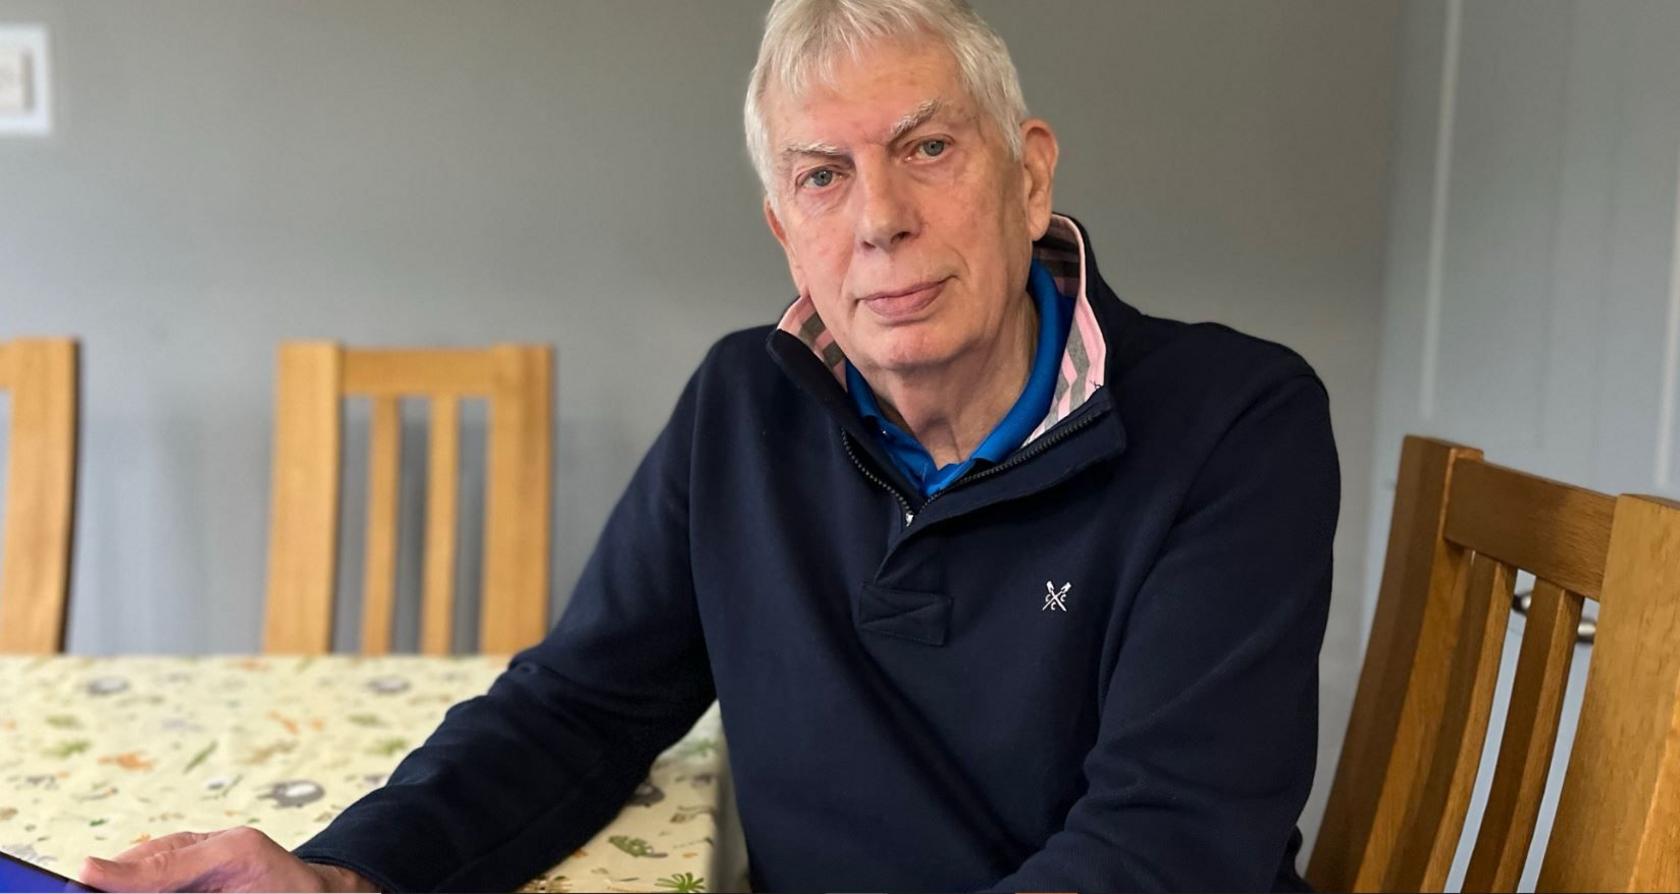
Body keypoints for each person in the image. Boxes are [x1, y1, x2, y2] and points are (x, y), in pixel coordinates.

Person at [80, 0, 1338, 890]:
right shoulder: (745, 406)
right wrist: (349, 870)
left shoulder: (1234, 422)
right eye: (822, 178)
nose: (880, 221)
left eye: (928, 148)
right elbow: (577, 710)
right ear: (784, 230)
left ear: (1028, 175)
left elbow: (1170, 844)